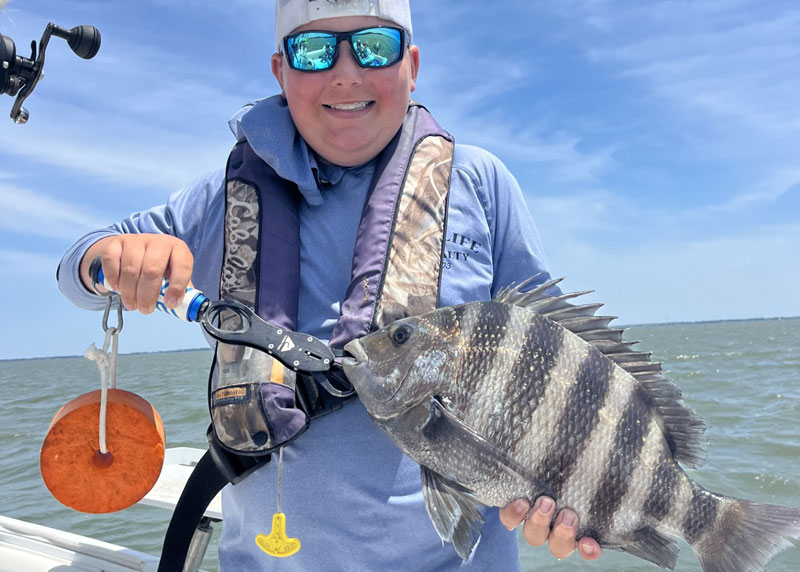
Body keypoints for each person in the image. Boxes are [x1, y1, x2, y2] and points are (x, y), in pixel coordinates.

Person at [57, 1, 604, 569]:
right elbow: (77, 270)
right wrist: (109, 256)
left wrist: (561, 502)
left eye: (375, 47)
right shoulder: (222, 198)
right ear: (280, 72)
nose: (346, 72)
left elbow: (563, 360)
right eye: (314, 51)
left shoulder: (479, 182)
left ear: (411, 65)